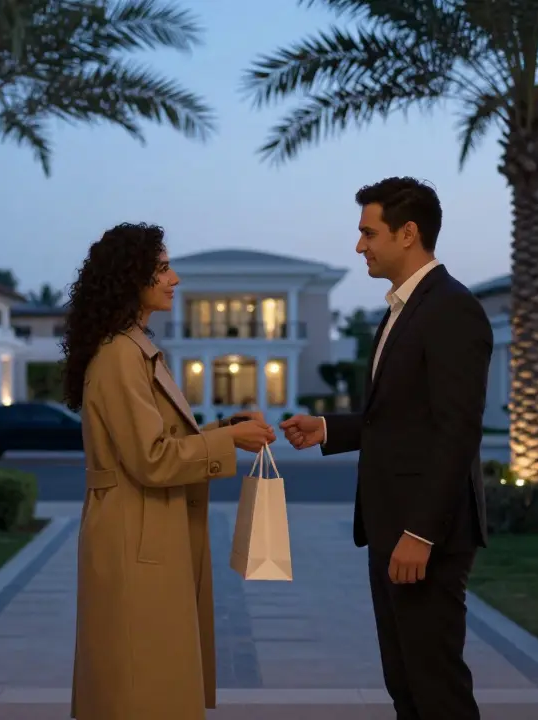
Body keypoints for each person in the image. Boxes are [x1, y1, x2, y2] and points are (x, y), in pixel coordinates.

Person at [281, 178, 492, 720]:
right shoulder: (403, 308)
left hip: (422, 537)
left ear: (409, 233)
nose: (359, 246)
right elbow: (400, 417)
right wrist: (328, 428)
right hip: (390, 530)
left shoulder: (451, 308)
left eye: (368, 233)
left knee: (436, 686)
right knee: (406, 684)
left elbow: (457, 429)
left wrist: (420, 533)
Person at [61, 222, 277, 720]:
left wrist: (226, 426)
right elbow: (152, 458)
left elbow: (158, 442)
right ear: (130, 277)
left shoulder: (133, 347)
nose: (174, 278)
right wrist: (229, 440)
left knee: (147, 679)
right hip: (133, 533)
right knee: (138, 686)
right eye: (162, 268)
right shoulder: (120, 355)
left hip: (144, 529)